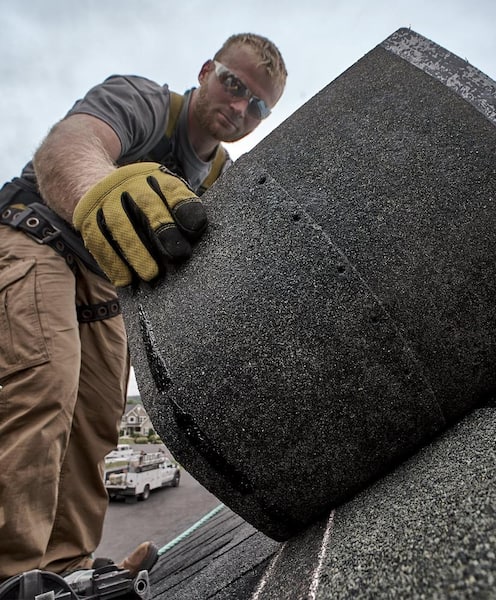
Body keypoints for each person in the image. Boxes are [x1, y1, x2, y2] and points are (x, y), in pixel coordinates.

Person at [0, 32, 287, 582]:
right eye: (233, 84)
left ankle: (67, 571)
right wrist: (99, 190)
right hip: (37, 233)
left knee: (99, 420)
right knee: (46, 388)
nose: (238, 106)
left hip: (107, 283)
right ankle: (11, 574)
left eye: (257, 104)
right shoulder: (145, 103)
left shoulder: (222, 176)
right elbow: (68, 147)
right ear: (207, 70)